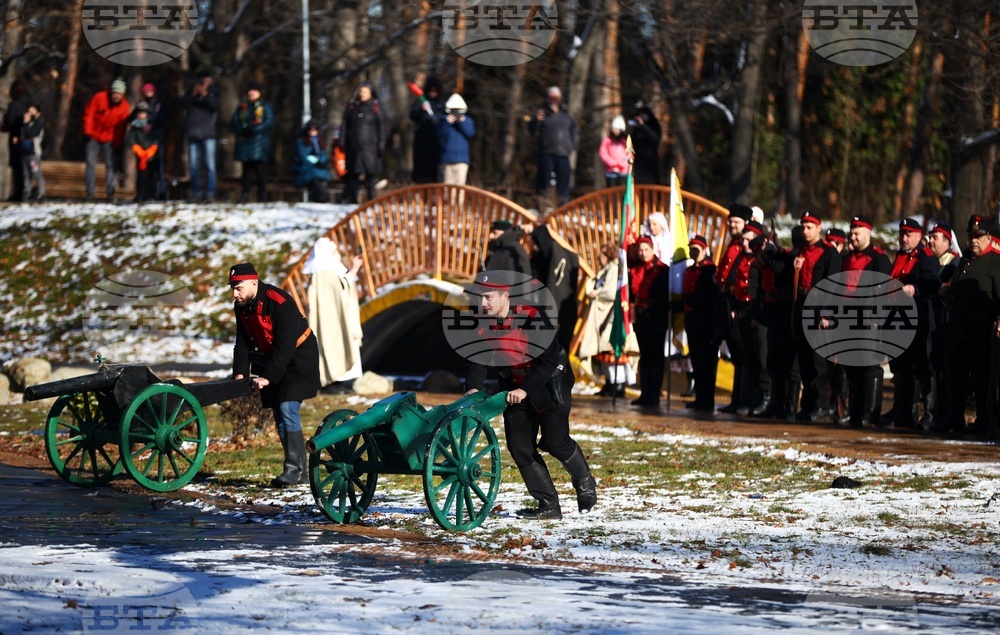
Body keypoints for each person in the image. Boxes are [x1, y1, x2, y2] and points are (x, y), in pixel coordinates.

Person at [464, 270, 597, 519]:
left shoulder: (533, 316)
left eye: (488, 297)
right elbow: (476, 360)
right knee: (520, 447)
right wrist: (473, 387)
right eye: (480, 298)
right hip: (513, 387)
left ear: (505, 296)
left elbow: (547, 361)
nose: (483, 304)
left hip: (548, 384)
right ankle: (549, 506)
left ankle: (586, 484)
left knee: (555, 441)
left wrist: (525, 390)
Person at [229, 262, 321, 487]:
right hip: (275, 360)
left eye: (239, 287)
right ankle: (297, 473)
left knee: (287, 408)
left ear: (253, 282)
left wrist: (268, 376)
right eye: (232, 288)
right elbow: (243, 342)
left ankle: (294, 470)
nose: (235, 293)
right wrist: (240, 374)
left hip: (299, 356)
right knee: (280, 415)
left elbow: (286, 344)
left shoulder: (278, 301)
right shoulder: (241, 306)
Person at [884, 218, 940, 428]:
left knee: (921, 366)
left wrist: (915, 289)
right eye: (902, 234)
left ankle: (930, 414)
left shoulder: (925, 257)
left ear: (919, 236)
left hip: (917, 319)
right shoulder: (900, 256)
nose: (904, 238)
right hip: (897, 318)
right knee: (901, 367)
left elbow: (932, 282)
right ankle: (904, 412)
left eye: (909, 234)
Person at [840, 214, 892, 426]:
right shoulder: (846, 258)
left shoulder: (878, 258)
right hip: (847, 319)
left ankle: (871, 413)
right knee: (852, 367)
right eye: (851, 233)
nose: (852, 237)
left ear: (867, 233)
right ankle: (855, 413)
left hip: (869, 318)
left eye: (856, 233)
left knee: (870, 366)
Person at [792, 211, 842, 421]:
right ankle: (809, 403)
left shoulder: (829, 253)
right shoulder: (801, 251)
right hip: (803, 304)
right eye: (803, 227)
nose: (805, 231)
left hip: (819, 308)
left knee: (818, 360)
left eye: (809, 227)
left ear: (819, 229)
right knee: (804, 358)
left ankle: (822, 404)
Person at [578, 243, 638, 396]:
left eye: (601, 257)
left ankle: (618, 385)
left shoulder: (614, 268)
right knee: (604, 351)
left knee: (611, 348)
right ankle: (610, 383)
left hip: (611, 315)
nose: (599, 260)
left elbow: (612, 291)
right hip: (603, 314)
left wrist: (597, 292)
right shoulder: (607, 269)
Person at [303, 237, 364, 387]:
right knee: (334, 345)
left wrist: (352, 270)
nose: (337, 254)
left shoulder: (324, 270)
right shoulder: (325, 272)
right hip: (332, 319)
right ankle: (335, 382)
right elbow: (341, 288)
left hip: (333, 317)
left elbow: (341, 286)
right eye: (334, 251)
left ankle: (339, 381)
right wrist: (354, 270)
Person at [522, 223, 580, 351]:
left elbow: (547, 244)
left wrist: (535, 230)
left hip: (556, 316)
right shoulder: (542, 259)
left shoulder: (555, 256)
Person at [630, 236, 671, 407]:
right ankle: (645, 392)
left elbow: (664, 296)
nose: (643, 253)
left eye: (646, 249)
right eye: (640, 250)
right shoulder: (635, 269)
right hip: (640, 316)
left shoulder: (662, 270)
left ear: (653, 250)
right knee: (645, 355)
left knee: (655, 355)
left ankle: (654, 393)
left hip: (656, 316)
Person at [682, 235, 720, 411]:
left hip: (706, 321)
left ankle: (707, 399)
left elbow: (709, 296)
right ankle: (700, 398)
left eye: (696, 248)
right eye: (691, 248)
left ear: (704, 250)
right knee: (696, 361)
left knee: (707, 362)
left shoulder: (710, 270)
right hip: (692, 320)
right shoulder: (690, 270)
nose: (693, 251)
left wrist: (690, 299)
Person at [527, 86, 577, 207]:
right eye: (551, 97)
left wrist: (571, 146)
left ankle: (563, 205)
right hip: (546, 152)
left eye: (556, 97)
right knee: (543, 181)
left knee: (564, 183)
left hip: (563, 154)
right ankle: (540, 204)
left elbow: (574, 131)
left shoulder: (566, 116)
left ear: (560, 99)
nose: (554, 100)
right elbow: (532, 130)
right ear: (547, 98)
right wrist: (535, 121)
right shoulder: (542, 114)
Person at [83, 78, 131, 201]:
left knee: (111, 165)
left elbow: (121, 128)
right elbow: (89, 114)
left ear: (122, 95)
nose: (116, 96)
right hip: (93, 135)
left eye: (119, 94)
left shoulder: (125, 108)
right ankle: (90, 193)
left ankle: (110, 192)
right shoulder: (99, 97)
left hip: (109, 138)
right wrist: (87, 132)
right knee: (90, 163)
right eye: (114, 93)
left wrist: (118, 144)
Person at [339, 82, 385, 204]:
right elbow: (344, 125)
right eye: (360, 91)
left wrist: (381, 144)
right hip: (353, 146)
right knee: (353, 174)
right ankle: (353, 200)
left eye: (365, 92)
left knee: (370, 175)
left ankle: (371, 200)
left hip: (371, 147)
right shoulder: (351, 107)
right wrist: (342, 141)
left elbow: (382, 128)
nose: (362, 94)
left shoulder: (376, 108)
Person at [230, 82, 274, 203]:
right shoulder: (242, 106)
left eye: (253, 91)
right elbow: (234, 121)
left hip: (259, 143)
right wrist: (242, 129)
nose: (251, 93)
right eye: (249, 91)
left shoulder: (265, 106)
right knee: (246, 170)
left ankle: (263, 194)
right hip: (245, 142)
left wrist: (254, 130)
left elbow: (268, 121)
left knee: (260, 169)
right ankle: (245, 194)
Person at [183, 70, 220, 203]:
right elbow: (182, 105)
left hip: (208, 134)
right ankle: (196, 193)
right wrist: (193, 94)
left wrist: (205, 95)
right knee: (193, 166)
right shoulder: (190, 92)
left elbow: (215, 106)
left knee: (210, 165)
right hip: (193, 133)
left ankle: (210, 193)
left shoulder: (213, 92)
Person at [409, 76, 445, 183]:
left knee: (435, 170)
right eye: (430, 90)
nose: (433, 93)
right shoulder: (421, 101)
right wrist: (421, 109)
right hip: (421, 141)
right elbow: (412, 115)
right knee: (421, 169)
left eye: (435, 90)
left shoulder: (441, 103)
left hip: (436, 141)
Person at [437, 93, 475, 186]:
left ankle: (459, 201)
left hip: (462, 160)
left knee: (460, 186)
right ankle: (448, 201)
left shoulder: (467, 120)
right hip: (447, 159)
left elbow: (470, 133)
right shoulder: (443, 120)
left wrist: (462, 122)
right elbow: (439, 134)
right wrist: (447, 123)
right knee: (447, 186)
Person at [125, 101, 159, 203]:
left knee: (152, 176)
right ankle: (140, 195)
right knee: (141, 176)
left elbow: (157, 138)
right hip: (140, 156)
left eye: (143, 113)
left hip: (152, 155)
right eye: (139, 113)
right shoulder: (135, 126)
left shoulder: (152, 126)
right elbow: (130, 139)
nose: (141, 115)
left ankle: (152, 195)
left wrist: (152, 149)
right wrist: (137, 148)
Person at [137, 82, 165, 198]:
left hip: (156, 139)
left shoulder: (158, 104)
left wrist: (152, 123)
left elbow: (162, 119)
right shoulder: (141, 105)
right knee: (144, 169)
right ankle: (143, 192)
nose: (148, 93)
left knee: (157, 168)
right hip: (143, 140)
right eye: (146, 91)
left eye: (150, 91)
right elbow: (133, 119)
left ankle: (160, 192)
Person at [2, 82, 30, 201]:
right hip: (29, 139)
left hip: (15, 139)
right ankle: (26, 190)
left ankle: (18, 192)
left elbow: (9, 121)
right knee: (26, 166)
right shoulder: (30, 103)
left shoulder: (14, 104)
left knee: (17, 167)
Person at [292, 120, 331, 202]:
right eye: (310, 129)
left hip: (317, 168)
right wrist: (313, 161)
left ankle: (320, 197)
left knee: (322, 176)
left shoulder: (319, 141)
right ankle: (319, 198)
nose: (312, 131)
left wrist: (320, 161)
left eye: (315, 129)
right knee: (316, 174)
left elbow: (323, 155)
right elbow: (303, 156)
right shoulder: (301, 141)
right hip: (303, 169)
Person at [19, 103, 45, 202]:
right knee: (26, 174)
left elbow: (31, 134)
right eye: (28, 112)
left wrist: (25, 123)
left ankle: (41, 192)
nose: (29, 114)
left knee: (36, 172)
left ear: (37, 113)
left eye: (32, 112)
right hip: (25, 152)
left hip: (33, 153)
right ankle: (27, 192)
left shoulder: (38, 124)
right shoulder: (25, 124)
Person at [630, 105, 661, 185]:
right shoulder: (637, 128)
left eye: (643, 115)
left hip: (651, 161)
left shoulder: (654, 124)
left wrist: (643, 126)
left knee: (651, 185)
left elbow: (655, 138)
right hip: (639, 161)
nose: (641, 117)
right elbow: (632, 142)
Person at [598, 116, 628, 187]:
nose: (616, 131)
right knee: (611, 191)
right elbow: (603, 153)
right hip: (610, 171)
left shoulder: (625, 141)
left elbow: (630, 155)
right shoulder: (607, 141)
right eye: (615, 129)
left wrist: (623, 164)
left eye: (618, 129)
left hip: (623, 171)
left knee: (622, 191)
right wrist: (613, 163)